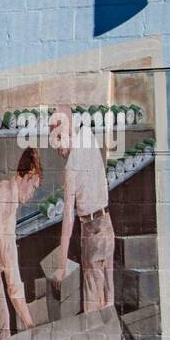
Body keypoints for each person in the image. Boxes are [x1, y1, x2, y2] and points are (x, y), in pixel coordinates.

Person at [51, 104, 115, 312]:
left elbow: (68, 218)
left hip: (91, 230)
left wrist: (61, 266)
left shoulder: (71, 168)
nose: (59, 150)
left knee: (92, 303)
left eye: (59, 141)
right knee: (107, 294)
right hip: (107, 225)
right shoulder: (88, 135)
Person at [0, 148, 44, 340]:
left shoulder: (3, 188)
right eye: (34, 188)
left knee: (4, 328)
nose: (32, 194)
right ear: (29, 175)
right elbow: (12, 276)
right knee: (1, 337)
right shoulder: (5, 207)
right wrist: (30, 324)